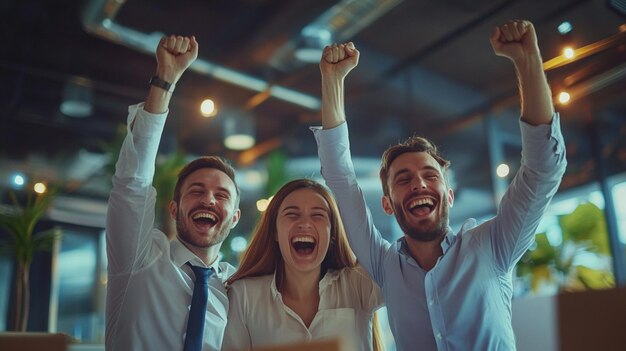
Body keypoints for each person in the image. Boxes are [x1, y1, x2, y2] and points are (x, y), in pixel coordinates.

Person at [312, 20, 567, 350]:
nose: (418, 183)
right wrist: (332, 80)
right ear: (388, 204)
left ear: (448, 195)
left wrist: (528, 60)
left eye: (430, 176)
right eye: (403, 179)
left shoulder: (492, 246)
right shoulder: (384, 265)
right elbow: (341, 180)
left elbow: (543, 169)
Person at [106, 35, 241, 351]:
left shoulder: (238, 288)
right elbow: (132, 185)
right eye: (197, 191)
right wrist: (165, 80)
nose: (208, 199)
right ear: (174, 208)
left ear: (234, 217)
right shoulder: (138, 257)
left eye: (221, 195)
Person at [222, 179, 384, 350]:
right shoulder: (243, 296)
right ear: (275, 232)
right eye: (292, 214)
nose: (305, 224)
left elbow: (407, 271)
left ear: (332, 234)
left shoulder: (359, 284)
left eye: (318, 215)